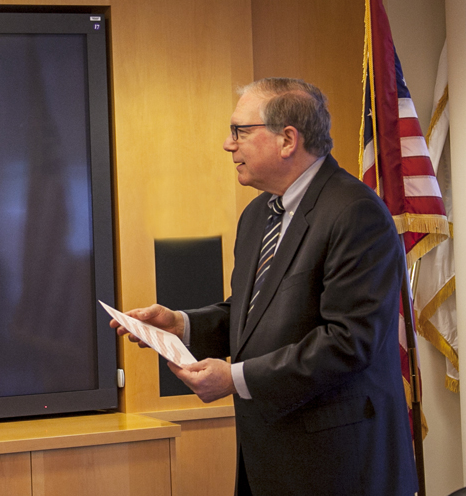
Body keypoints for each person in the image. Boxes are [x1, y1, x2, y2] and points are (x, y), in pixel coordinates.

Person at [111, 78, 418, 495]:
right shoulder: (258, 215)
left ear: (287, 140)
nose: (227, 144)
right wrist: (180, 325)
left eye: (240, 131)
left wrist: (235, 379)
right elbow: (251, 315)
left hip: (339, 468)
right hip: (270, 461)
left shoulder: (355, 213)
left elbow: (349, 342)